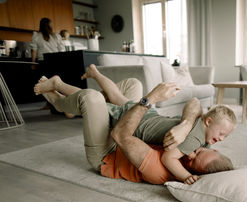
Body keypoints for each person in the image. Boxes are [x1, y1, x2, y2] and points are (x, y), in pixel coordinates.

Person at [33, 73, 234, 185]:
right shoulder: (198, 140)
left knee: (93, 100)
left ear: (193, 172)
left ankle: (60, 99)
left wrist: (151, 98)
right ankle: (81, 101)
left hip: (108, 150)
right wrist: (186, 124)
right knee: (132, 84)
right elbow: (194, 104)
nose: (192, 153)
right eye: (202, 150)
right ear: (212, 148)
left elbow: (120, 134)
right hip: (144, 119)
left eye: (193, 162)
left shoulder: (164, 170)